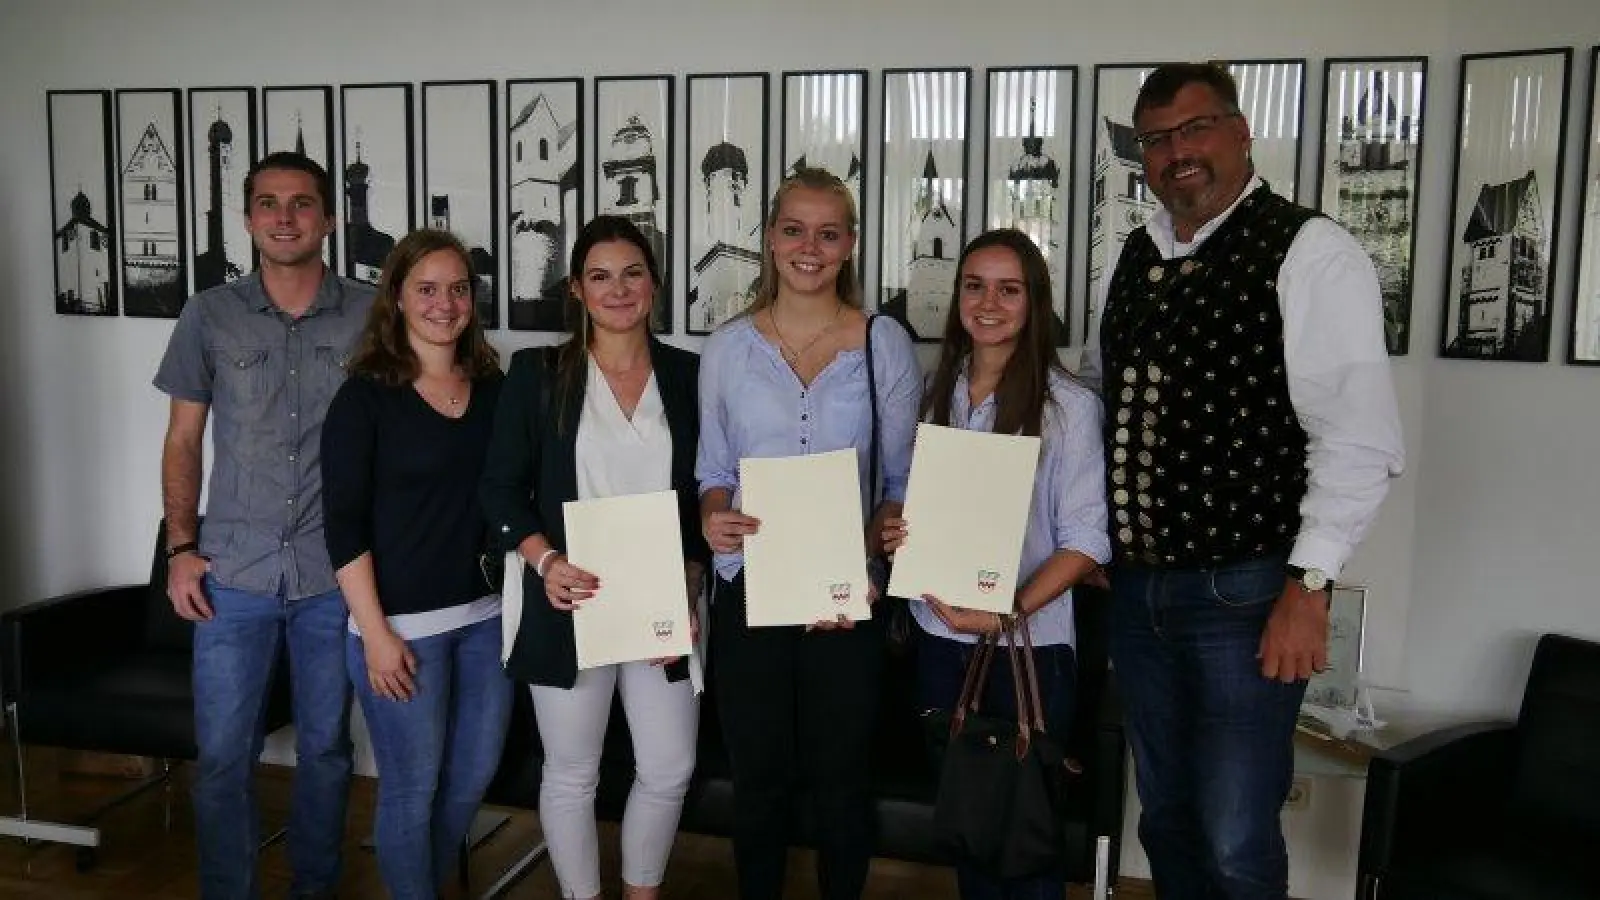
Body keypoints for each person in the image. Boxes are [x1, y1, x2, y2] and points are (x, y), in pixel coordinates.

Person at [1081, 63, 1405, 899]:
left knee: (1234, 836)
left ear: (1241, 131)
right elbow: (1100, 403)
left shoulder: (1309, 250)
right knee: (1168, 821)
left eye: (1196, 129)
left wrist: (1309, 585)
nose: (1177, 152)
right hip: (1139, 589)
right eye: (1157, 139)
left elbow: (1360, 441)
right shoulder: (1136, 252)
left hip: (1247, 592)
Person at [696, 167, 922, 900]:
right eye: (794, 229)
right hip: (750, 587)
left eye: (828, 234)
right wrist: (712, 515)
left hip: (843, 595)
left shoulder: (883, 342)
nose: (809, 248)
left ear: (850, 244)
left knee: (841, 780)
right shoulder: (727, 347)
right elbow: (712, 468)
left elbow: (898, 484)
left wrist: (871, 568)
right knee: (758, 778)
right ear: (770, 237)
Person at [154, 150, 373, 900]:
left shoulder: (373, 314)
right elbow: (182, 440)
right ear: (249, 218)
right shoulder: (207, 315)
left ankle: (313, 888)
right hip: (232, 573)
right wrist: (182, 549)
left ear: (328, 217)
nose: (285, 217)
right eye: (270, 204)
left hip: (332, 573)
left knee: (327, 752)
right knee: (220, 757)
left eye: (302, 203)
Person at [480, 215, 707, 900]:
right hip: (567, 598)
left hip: (662, 603)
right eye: (600, 276)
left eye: (633, 273)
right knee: (572, 772)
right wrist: (544, 561)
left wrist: (692, 585)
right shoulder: (538, 374)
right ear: (576, 288)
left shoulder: (691, 376)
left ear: (655, 286)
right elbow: (497, 488)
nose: (618, 290)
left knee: (669, 766)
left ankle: (642, 893)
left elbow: (710, 488)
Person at [882, 229, 1110, 900]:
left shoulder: (1068, 406)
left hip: (1028, 651)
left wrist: (1004, 609)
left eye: (1009, 289)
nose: (989, 302)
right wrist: (897, 528)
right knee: (972, 828)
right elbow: (909, 500)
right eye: (975, 286)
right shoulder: (934, 393)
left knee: (1024, 839)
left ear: (1033, 302)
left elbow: (1088, 540)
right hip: (939, 639)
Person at [319, 228, 509, 899]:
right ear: (397, 297)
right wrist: (375, 634)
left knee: (470, 779)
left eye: (458, 288)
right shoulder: (364, 397)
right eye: (426, 288)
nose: (444, 303)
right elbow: (341, 526)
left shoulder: (491, 386)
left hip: (486, 621)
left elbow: (512, 493)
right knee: (411, 787)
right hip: (398, 628)